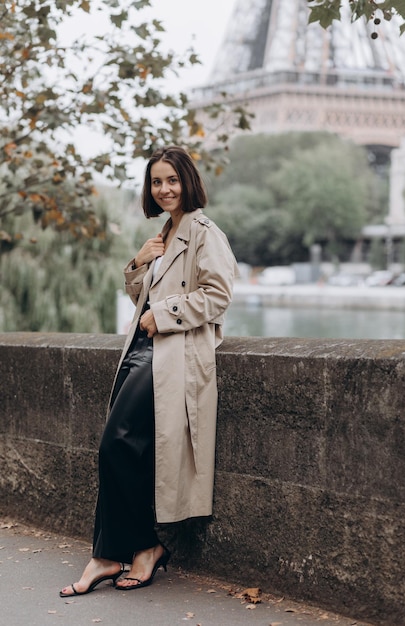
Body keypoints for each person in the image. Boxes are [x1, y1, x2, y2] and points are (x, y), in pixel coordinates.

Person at [59, 145, 238, 596]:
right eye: (157, 182)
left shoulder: (203, 230)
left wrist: (168, 313)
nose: (164, 189)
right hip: (142, 350)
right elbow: (142, 292)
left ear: (188, 182)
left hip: (172, 353)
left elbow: (218, 295)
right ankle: (133, 550)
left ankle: (121, 552)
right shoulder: (165, 231)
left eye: (172, 180)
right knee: (127, 448)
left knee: (114, 444)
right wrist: (138, 262)